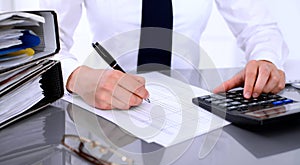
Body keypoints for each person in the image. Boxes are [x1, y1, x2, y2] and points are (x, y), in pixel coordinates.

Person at [40, 0, 288, 110]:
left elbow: (259, 28)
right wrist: (75, 76)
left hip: (189, 111)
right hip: (108, 111)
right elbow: (44, 43)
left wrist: (265, 60)